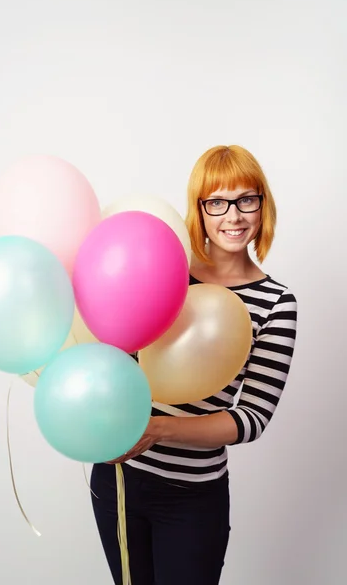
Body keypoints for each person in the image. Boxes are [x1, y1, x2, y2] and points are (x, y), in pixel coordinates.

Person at [91, 145, 298, 585]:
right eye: (217, 202)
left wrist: (157, 430)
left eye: (247, 199)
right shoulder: (169, 272)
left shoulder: (278, 303)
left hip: (192, 496)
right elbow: (118, 355)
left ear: (263, 206)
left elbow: (251, 417)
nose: (234, 216)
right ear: (200, 211)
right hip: (118, 483)